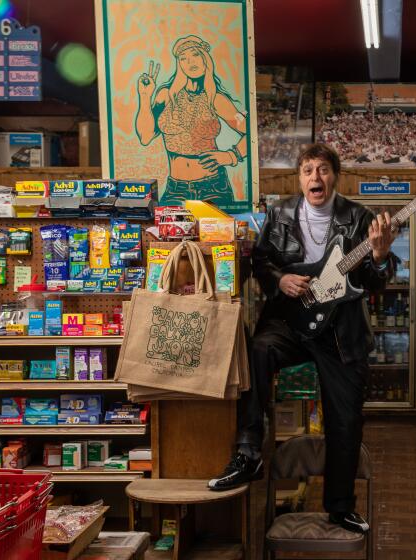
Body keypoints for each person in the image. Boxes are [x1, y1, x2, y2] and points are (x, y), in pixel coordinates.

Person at [208, 143, 397, 534]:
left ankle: (340, 506)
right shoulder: (278, 215)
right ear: (299, 178)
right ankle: (248, 454)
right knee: (256, 351)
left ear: (335, 176)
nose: (316, 177)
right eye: (308, 170)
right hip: (291, 320)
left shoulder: (359, 218)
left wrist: (379, 257)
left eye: (324, 169)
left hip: (341, 331)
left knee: (346, 419)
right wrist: (280, 279)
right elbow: (261, 263)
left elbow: (375, 283)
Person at [135, 35, 247, 208]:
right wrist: (144, 96)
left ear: (205, 59)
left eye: (195, 55)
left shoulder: (215, 99)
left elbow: (252, 134)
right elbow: (145, 136)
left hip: (213, 186)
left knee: (216, 235)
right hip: (175, 188)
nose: (190, 62)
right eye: (183, 58)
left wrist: (231, 156)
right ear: (179, 64)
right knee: (170, 234)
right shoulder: (166, 96)